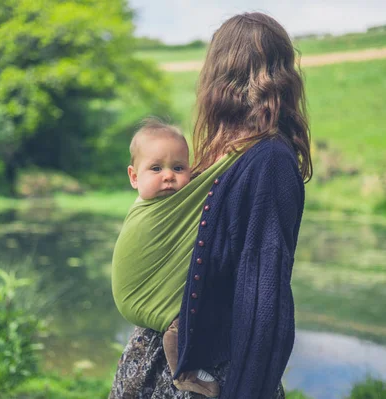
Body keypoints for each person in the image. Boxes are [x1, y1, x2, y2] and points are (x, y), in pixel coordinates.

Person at [110, 11, 311, 399]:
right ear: (281, 75)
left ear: (222, 72)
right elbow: (253, 290)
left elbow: (262, 292)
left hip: (199, 373)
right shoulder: (226, 152)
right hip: (175, 365)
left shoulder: (265, 160)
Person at [113, 118, 232, 397]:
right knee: (182, 322)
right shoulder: (154, 211)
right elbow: (209, 184)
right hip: (137, 298)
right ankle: (186, 373)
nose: (168, 175)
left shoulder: (171, 203)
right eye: (156, 168)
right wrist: (234, 154)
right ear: (133, 176)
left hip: (139, 297)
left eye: (178, 168)